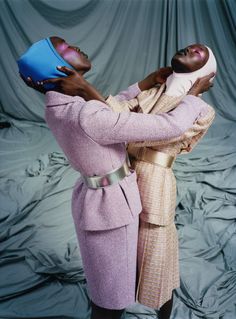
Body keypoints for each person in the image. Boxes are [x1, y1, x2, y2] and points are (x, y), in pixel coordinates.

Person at [18, 37, 214, 319]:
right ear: (59, 69)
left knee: (121, 285)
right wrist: (193, 96)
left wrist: (141, 85)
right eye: (67, 49)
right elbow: (168, 126)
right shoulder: (86, 113)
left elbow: (110, 112)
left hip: (102, 200)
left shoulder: (60, 106)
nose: (78, 48)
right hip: (112, 209)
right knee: (111, 299)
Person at [102, 43, 217, 319]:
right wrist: (142, 83)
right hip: (123, 179)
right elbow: (108, 111)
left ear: (206, 71)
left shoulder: (202, 111)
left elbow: (158, 132)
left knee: (157, 265)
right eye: (188, 47)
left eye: (198, 52)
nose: (189, 48)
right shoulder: (151, 91)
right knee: (119, 260)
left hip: (155, 187)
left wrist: (190, 95)